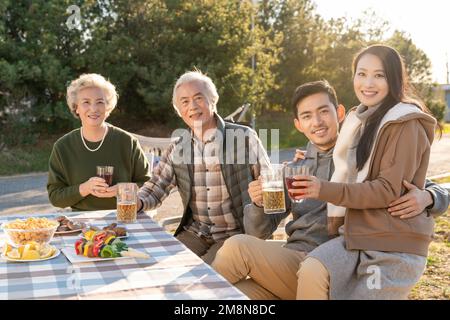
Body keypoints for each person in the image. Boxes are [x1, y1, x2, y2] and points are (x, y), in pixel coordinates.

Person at [211, 80, 449, 300]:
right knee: (234, 295)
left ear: (341, 113)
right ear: (298, 124)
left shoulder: (363, 157)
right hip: (292, 260)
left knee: (237, 248)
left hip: (334, 265)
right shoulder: (293, 170)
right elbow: (258, 232)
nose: (317, 122)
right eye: (307, 116)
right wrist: (259, 204)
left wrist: (428, 196)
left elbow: (418, 184)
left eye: (324, 111)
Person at [294, 45, 443, 299]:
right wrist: (309, 157)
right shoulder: (360, 121)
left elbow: (387, 189)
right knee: (312, 268)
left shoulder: (406, 123)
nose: (368, 83)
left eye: (379, 75)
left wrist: (431, 196)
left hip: (391, 243)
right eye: (361, 74)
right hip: (358, 235)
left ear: (394, 79)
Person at [137, 70, 270, 264]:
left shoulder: (244, 137)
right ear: (179, 110)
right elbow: (157, 186)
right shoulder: (178, 147)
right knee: (161, 268)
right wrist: (137, 202)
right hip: (195, 233)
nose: (192, 106)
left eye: (198, 98)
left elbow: (268, 182)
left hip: (235, 236)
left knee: (200, 278)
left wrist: (262, 200)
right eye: (184, 101)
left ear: (213, 100)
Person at [47, 73, 151, 211]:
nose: (94, 108)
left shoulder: (127, 142)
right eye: (86, 102)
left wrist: (123, 190)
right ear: (76, 107)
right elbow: (55, 197)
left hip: (124, 217)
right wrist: (84, 188)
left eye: (100, 102)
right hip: (81, 224)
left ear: (108, 107)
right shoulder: (62, 147)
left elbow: (149, 186)